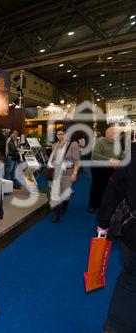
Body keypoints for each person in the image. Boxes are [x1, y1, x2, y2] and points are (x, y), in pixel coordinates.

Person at [97, 142, 136, 333]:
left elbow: (114, 190)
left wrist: (103, 222)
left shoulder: (132, 155)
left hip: (133, 232)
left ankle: (115, 326)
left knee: (130, 279)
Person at [47, 127, 80, 223]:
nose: (59, 136)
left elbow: (77, 161)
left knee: (65, 194)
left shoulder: (73, 144)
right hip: (56, 172)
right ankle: (56, 213)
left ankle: (64, 205)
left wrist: (75, 173)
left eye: (62, 134)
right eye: (58, 134)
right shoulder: (54, 145)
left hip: (68, 172)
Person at [88, 126, 123, 213]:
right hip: (99, 168)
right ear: (109, 134)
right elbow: (95, 155)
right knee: (96, 186)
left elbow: (121, 155)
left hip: (111, 169)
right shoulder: (100, 141)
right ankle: (93, 205)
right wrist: (110, 159)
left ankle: (104, 204)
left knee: (107, 187)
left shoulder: (117, 143)